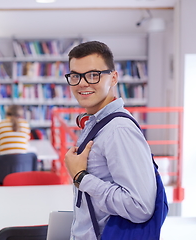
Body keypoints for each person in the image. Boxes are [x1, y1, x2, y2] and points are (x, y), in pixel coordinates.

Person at [63, 41, 156, 239]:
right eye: (75, 76)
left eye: (93, 75)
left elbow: (141, 207)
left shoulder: (118, 130)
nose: (82, 83)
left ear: (113, 78)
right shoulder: (98, 122)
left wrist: (81, 178)